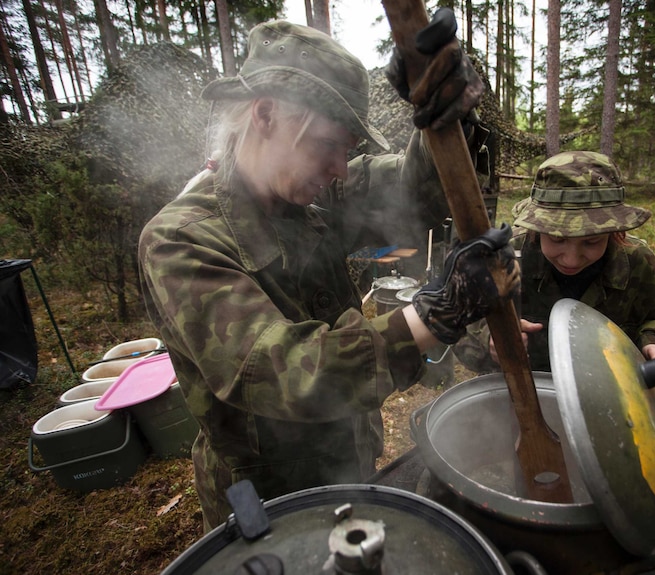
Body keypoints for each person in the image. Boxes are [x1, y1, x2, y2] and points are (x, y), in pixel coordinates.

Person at [138, 17, 518, 531]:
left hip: (348, 461)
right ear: (266, 114)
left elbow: (413, 190)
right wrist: (435, 314)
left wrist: (445, 121)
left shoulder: (313, 198)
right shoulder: (181, 239)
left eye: (347, 150)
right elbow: (281, 369)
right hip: (270, 502)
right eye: (326, 144)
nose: (341, 167)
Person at [456, 150, 655, 374]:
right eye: (557, 239)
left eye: (591, 242)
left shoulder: (638, 263)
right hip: (523, 393)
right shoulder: (504, 259)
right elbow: (459, 323)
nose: (571, 259)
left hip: (607, 389)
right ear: (537, 230)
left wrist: (654, 340)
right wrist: (490, 340)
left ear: (615, 232)